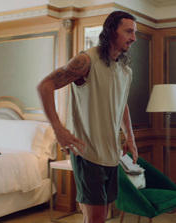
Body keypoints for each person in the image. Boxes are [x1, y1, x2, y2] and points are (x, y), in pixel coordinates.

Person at [37, 11, 138, 223]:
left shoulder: (125, 71)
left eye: (134, 32)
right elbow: (45, 86)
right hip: (87, 152)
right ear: (112, 31)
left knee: (98, 216)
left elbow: (122, 104)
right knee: (97, 217)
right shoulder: (86, 60)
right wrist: (58, 128)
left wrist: (130, 137)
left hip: (111, 153)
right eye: (128, 31)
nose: (133, 38)